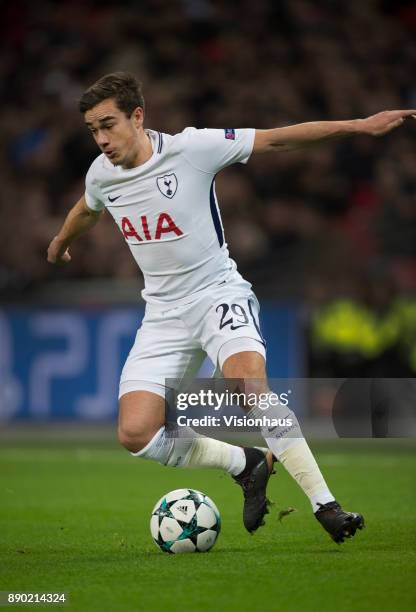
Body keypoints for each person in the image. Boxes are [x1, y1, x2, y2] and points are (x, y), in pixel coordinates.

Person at [47, 71, 414, 543]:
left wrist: (360, 125)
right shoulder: (101, 174)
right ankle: (246, 463)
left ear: (138, 116)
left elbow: (278, 141)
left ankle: (327, 506)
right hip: (161, 314)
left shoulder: (193, 149)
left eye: (108, 125)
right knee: (136, 434)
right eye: (93, 130)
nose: (101, 139)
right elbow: (88, 208)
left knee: (248, 384)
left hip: (217, 292)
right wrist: (60, 242)